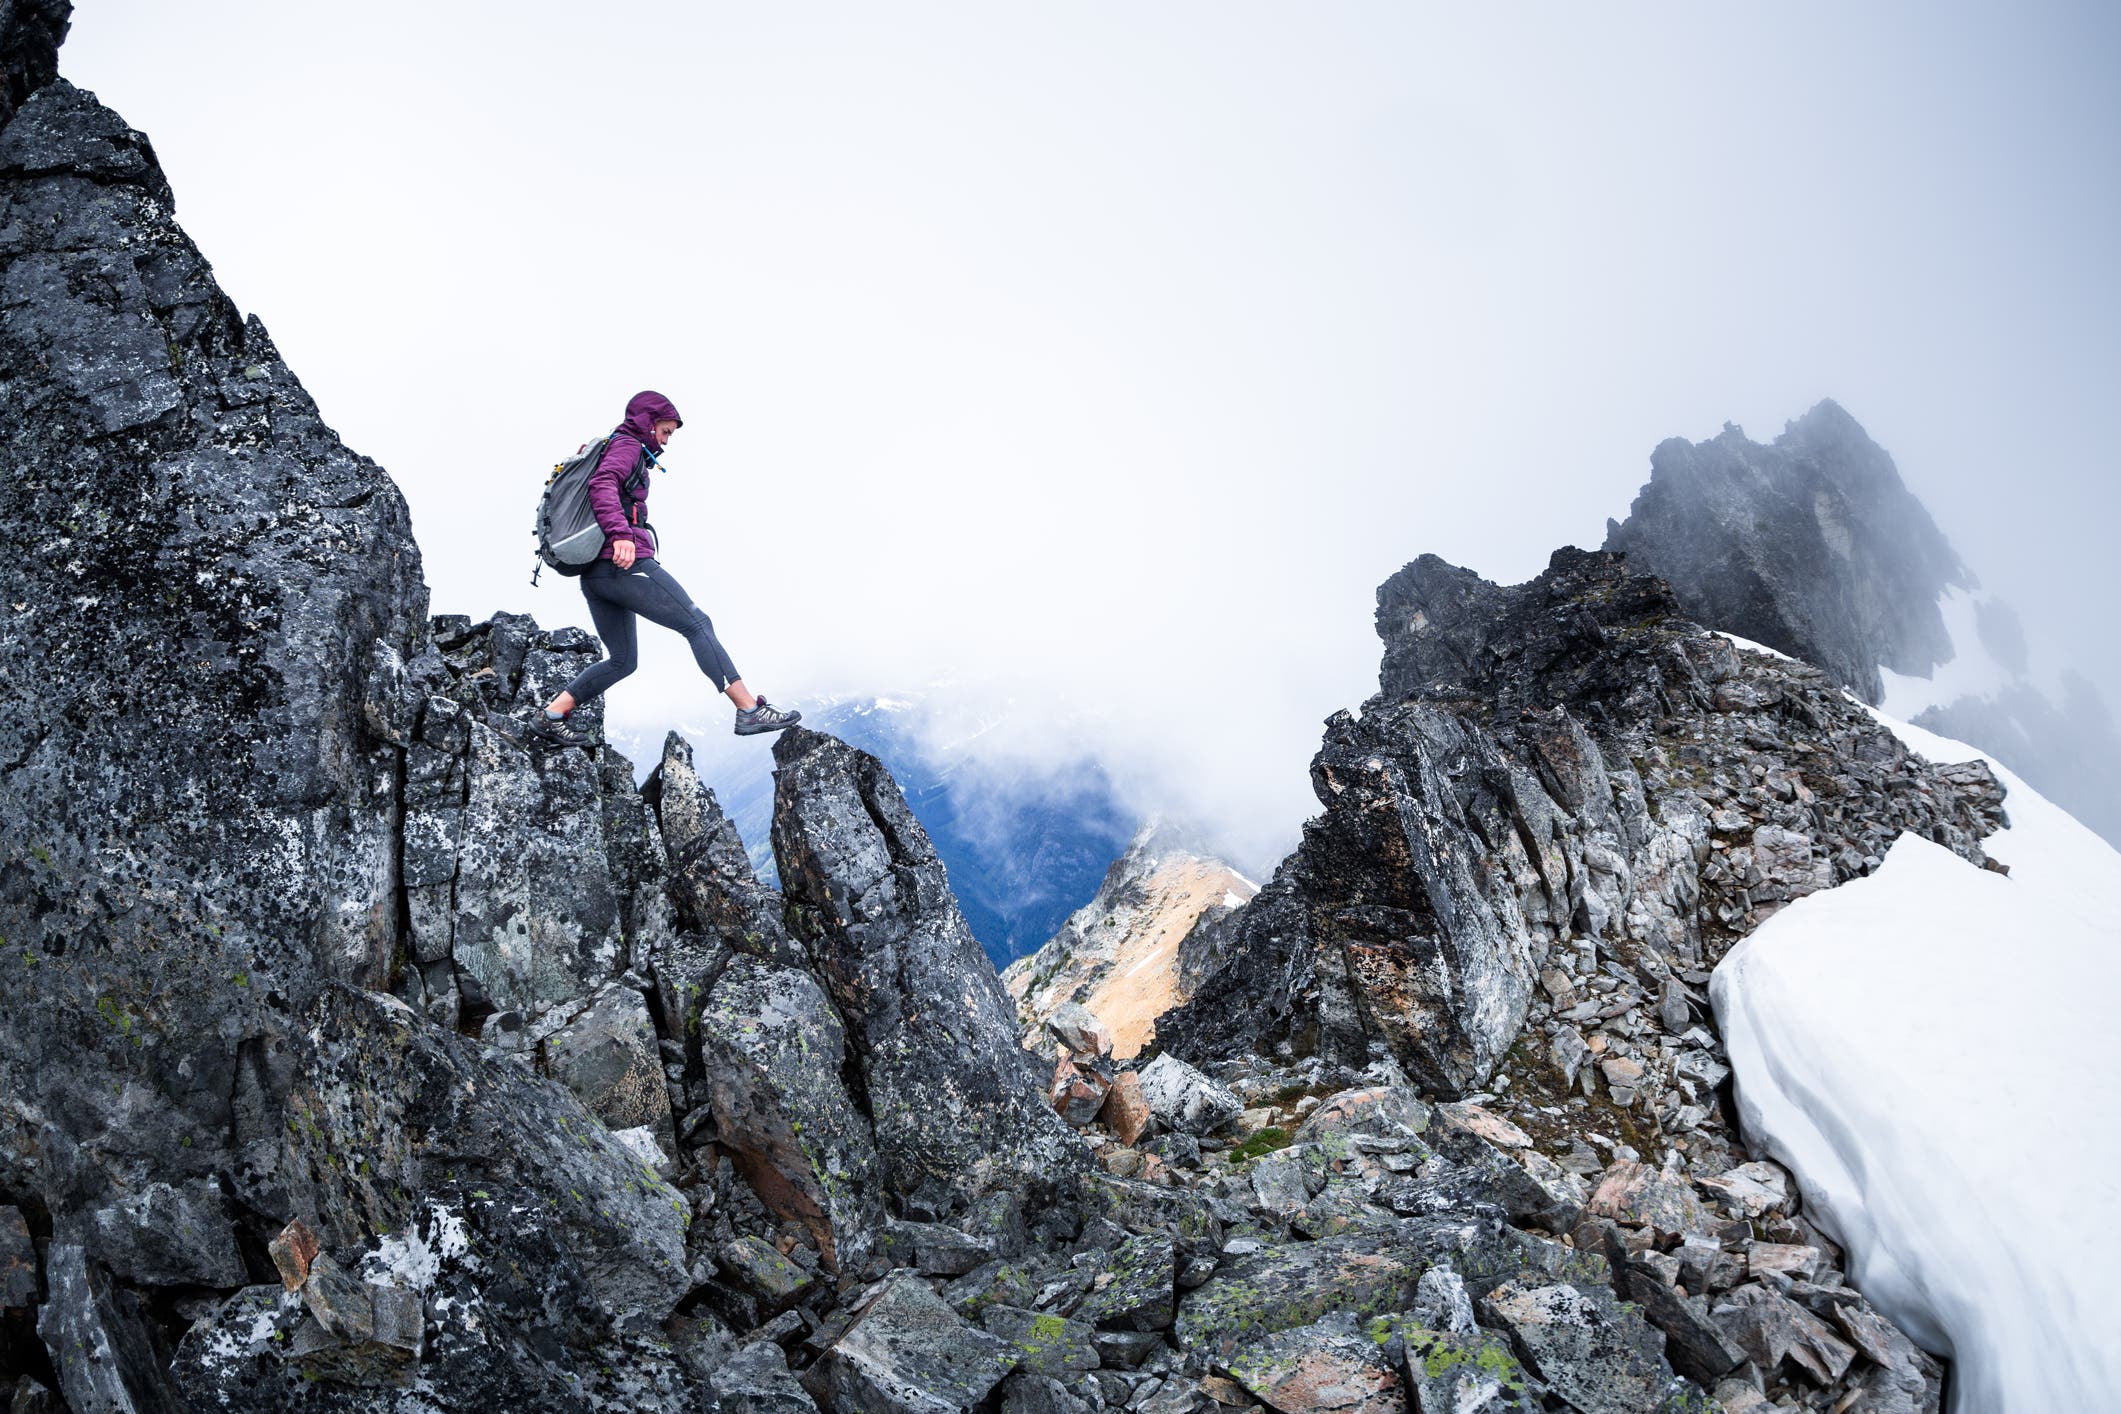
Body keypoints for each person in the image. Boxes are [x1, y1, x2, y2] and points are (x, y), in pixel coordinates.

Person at [529, 390, 800, 746]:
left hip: (596, 575)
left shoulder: (620, 446)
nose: (666, 441)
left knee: (623, 660)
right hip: (623, 563)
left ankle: (552, 715)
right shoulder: (626, 446)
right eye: (665, 431)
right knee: (698, 623)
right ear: (648, 423)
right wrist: (621, 534)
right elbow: (602, 484)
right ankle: (748, 709)